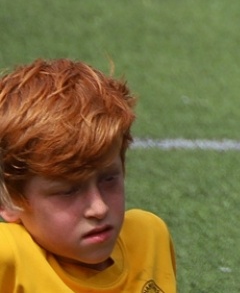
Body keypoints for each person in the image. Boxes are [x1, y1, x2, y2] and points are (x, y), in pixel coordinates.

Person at [0, 58, 177, 292]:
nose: (99, 208)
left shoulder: (149, 238)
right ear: (8, 201)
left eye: (109, 179)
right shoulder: (10, 255)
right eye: (68, 191)